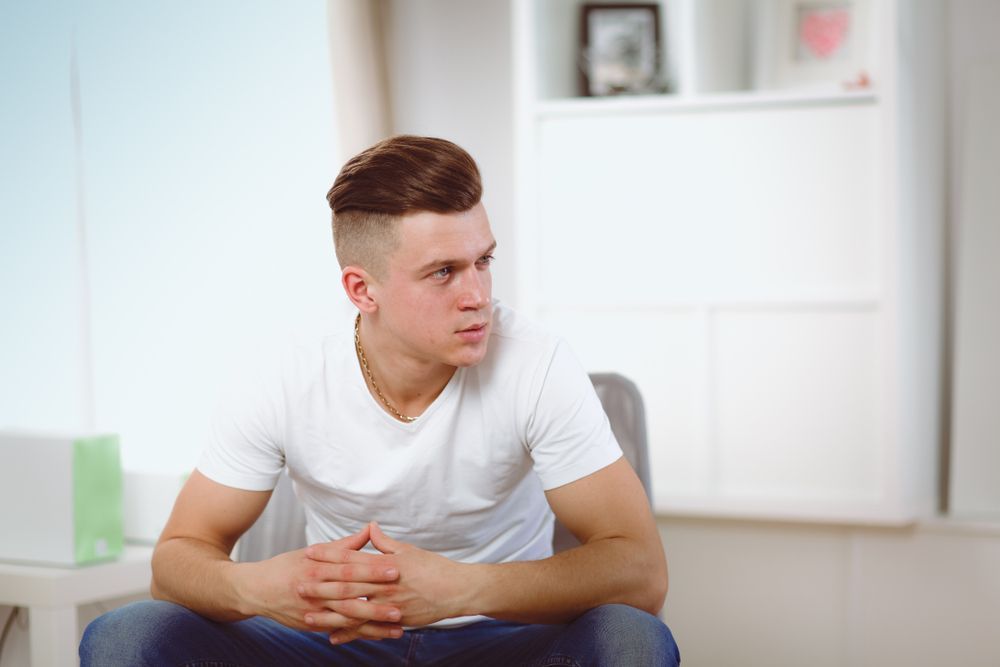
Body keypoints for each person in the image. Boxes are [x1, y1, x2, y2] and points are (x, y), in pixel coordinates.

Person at [80, 135, 680, 666]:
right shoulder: (283, 373)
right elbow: (175, 562)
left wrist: (463, 590)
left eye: (483, 261)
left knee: (630, 640)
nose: (478, 296)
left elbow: (641, 574)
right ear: (361, 289)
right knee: (128, 637)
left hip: (502, 637)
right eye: (444, 272)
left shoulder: (536, 363)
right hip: (334, 643)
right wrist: (259, 590)